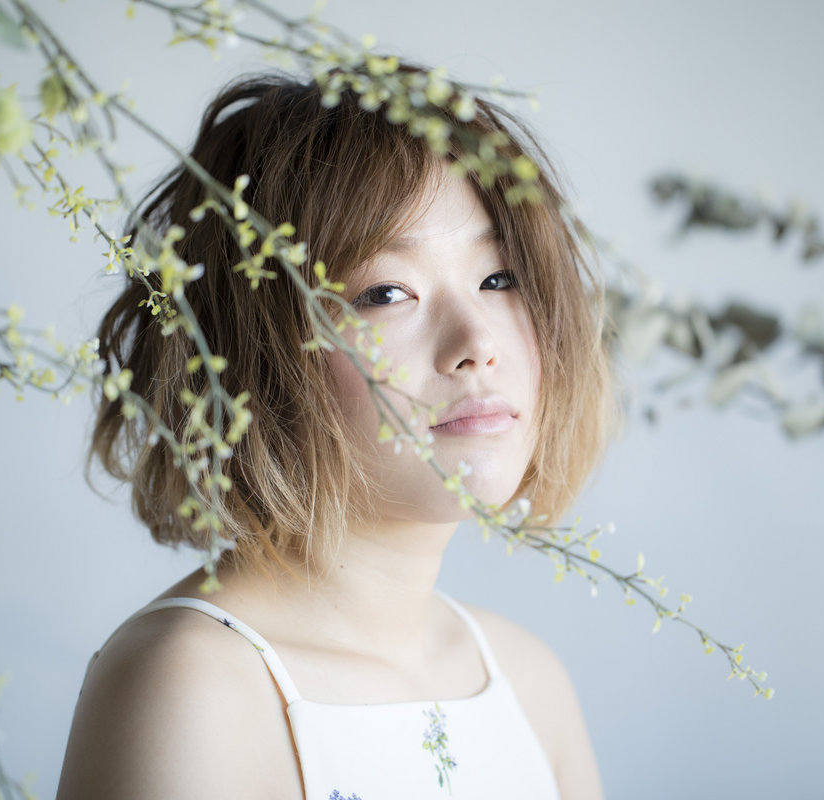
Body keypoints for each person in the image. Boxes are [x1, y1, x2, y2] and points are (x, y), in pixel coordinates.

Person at [57, 67, 614, 799]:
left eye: (500, 279)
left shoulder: (527, 681)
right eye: (386, 292)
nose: (476, 343)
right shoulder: (193, 687)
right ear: (253, 358)